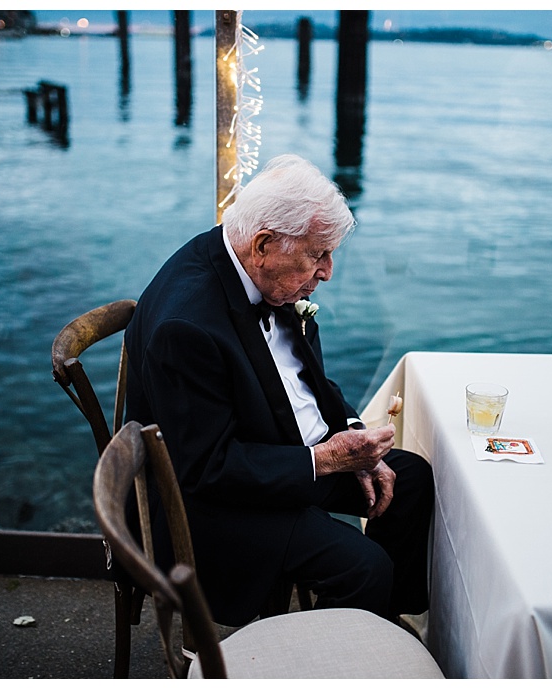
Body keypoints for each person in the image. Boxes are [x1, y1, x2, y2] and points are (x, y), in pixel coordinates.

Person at [124, 153, 433, 627]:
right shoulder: (186, 326)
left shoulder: (259, 270)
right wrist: (328, 459)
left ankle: (381, 624)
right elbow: (207, 469)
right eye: (318, 254)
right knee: (364, 568)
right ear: (265, 244)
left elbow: (300, 378)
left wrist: (350, 431)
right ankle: (328, 656)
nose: (327, 271)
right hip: (209, 506)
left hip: (273, 449)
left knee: (410, 479)